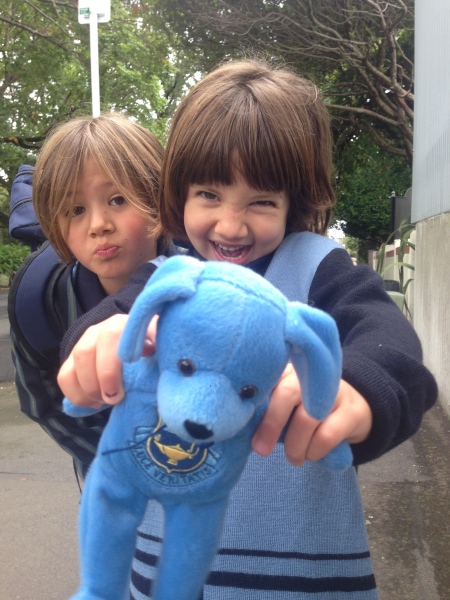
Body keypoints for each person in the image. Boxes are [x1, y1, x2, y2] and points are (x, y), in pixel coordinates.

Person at [58, 59, 438, 598]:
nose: (231, 225)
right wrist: (96, 342)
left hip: (306, 579)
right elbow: (104, 320)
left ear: (295, 202)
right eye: (209, 195)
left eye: (261, 201)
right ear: (180, 193)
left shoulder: (319, 268)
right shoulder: (172, 277)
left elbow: (390, 341)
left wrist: (355, 386)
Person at [9, 113, 169, 483]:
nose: (98, 224)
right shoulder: (38, 299)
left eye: (117, 199)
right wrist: (124, 466)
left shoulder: (204, 278)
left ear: (158, 198)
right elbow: (42, 400)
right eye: (75, 210)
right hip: (110, 482)